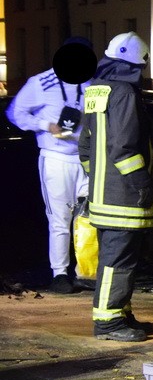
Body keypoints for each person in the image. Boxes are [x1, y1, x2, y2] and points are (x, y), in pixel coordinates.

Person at [79, 32, 153, 342]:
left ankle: (119, 312)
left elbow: (85, 146)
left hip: (102, 194)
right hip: (124, 197)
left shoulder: (96, 90)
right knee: (119, 260)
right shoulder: (124, 93)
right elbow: (124, 148)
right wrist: (143, 185)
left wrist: (98, 181)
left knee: (116, 258)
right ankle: (109, 322)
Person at [6, 37, 96, 294]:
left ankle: (86, 272)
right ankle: (60, 274)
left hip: (87, 159)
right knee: (60, 218)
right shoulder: (41, 82)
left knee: (88, 217)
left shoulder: (93, 82)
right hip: (56, 158)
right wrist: (47, 126)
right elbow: (16, 112)